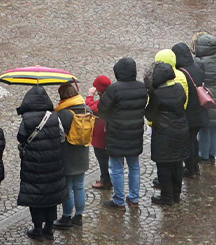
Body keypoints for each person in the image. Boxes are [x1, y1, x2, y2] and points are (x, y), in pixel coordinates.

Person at [14, 85, 68, 235]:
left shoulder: (26, 119)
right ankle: (49, 229)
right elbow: (62, 137)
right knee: (51, 194)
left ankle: (37, 228)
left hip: (33, 163)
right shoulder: (54, 117)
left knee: (36, 194)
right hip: (53, 162)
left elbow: (21, 137)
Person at [96, 57, 148, 205]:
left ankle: (118, 199)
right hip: (135, 133)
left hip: (116, 134)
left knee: (116, 167)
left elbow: (102, 109)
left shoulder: (114, 89)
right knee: (134, 166)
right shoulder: (141, 87)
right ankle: (134, 197)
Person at [145, 52, 191, 205]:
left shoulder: (157, 94)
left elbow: (150, 115)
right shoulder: (179, 88)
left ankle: (167, 197)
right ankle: (176, 195)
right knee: (177, 163)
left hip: (164, 134)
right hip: (181, 131)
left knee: (164, 165)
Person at [52, 81, 93, 226]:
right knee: (79, 185)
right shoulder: (87, 109)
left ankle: (66, 216)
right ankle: (79, 216)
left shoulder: (61, 114)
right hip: (82, 153)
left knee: (68, 187)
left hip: (67, 155)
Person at [171, 41, 207, 177]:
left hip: (189, 113)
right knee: (193, 139)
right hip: (200, 110)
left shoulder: (181, 73)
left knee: (188, 142)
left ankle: (190, 168)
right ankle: (195, 167)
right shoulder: (197, 67)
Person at [191, 33, 216, 162]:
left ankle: (203, 154)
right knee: (214, 128)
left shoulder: (199, 61)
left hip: (205, 97)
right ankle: (212, 153)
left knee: (204, 128)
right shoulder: (215, 59)